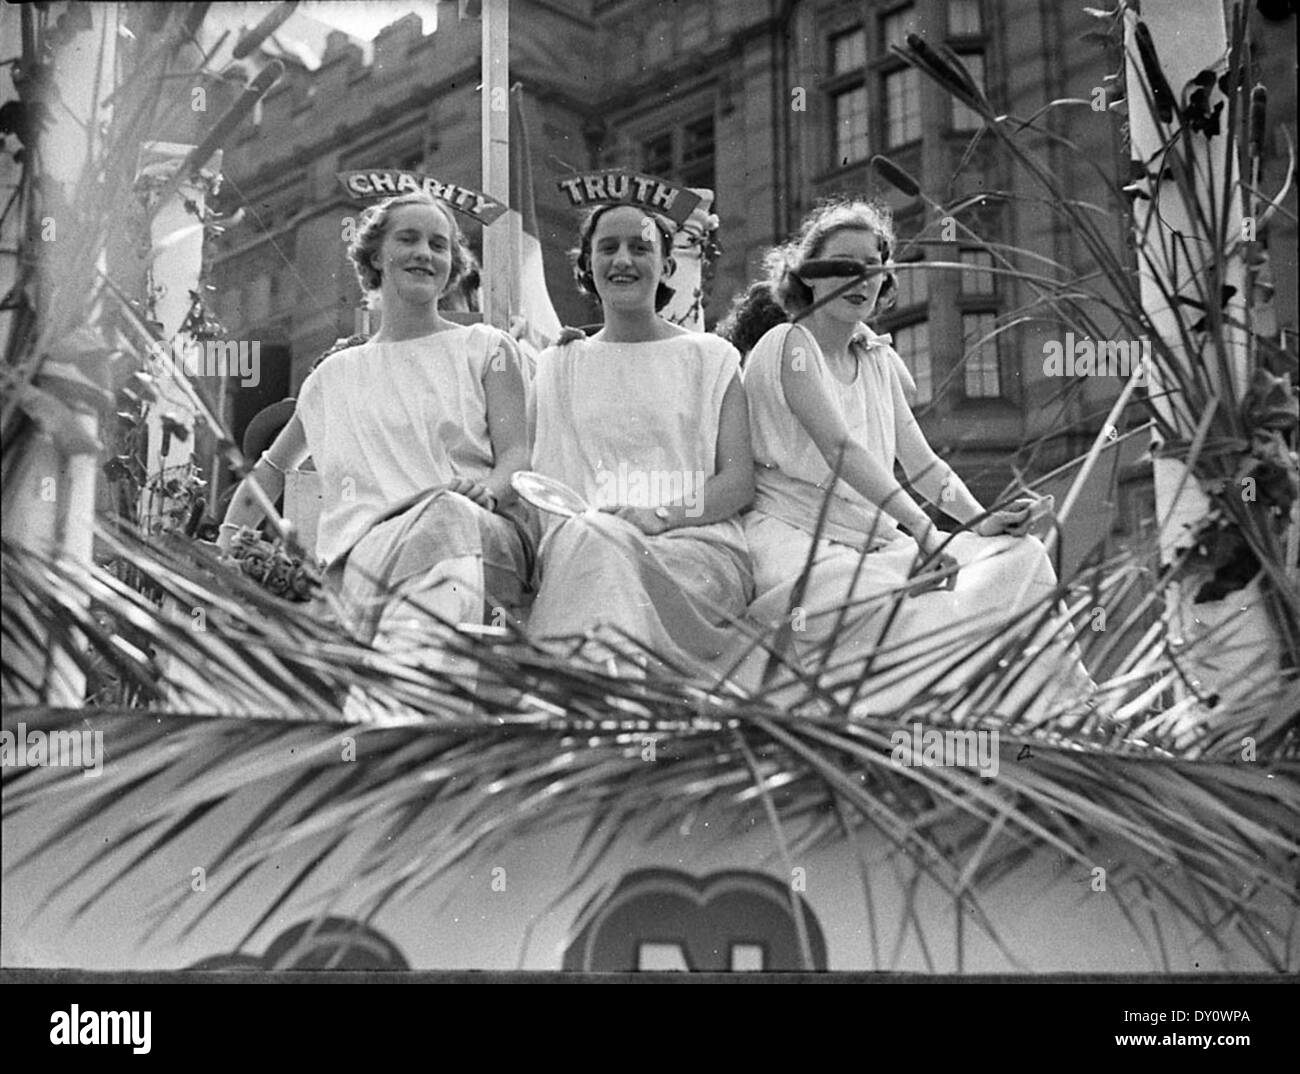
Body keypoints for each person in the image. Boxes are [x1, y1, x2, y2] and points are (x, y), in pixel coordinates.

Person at [733, 197, 1093, 720]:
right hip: (796, 540)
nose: (862, 279)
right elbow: (840, 449)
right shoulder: (786, 344)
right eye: (845, 265)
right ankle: (917, 733)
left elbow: (923, 464)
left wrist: (980, 519)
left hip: (874, 540)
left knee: (1019, 558)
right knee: (878, 602)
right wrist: (927, 534)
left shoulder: (876, 360)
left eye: (875, 269)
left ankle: (1054, 718)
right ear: (808, 276)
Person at [218, 191, 535, 680]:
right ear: (374, 257)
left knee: (443, 515)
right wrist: (227, 547)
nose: (424, 253)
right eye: (407, 239)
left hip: (476, 537)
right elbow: (270, 473)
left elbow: (517, 457)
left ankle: (409, 702)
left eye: (439, 244)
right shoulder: (331, 376)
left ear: (453, 263)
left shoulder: (486, 348)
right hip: (363, 561)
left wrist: (485, 494)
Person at [528, 203, 755, 676]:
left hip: (695, 550)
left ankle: (581, 703)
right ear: (587, 265)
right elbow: (543, 483)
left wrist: (657, 515)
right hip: (585, 546)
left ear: (667, 265)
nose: (623, 260)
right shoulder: (560, 365)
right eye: (607, 248)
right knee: (596, 544)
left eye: (641, 247)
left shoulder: (711, 358)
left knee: (603, 557)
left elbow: (736, 483)